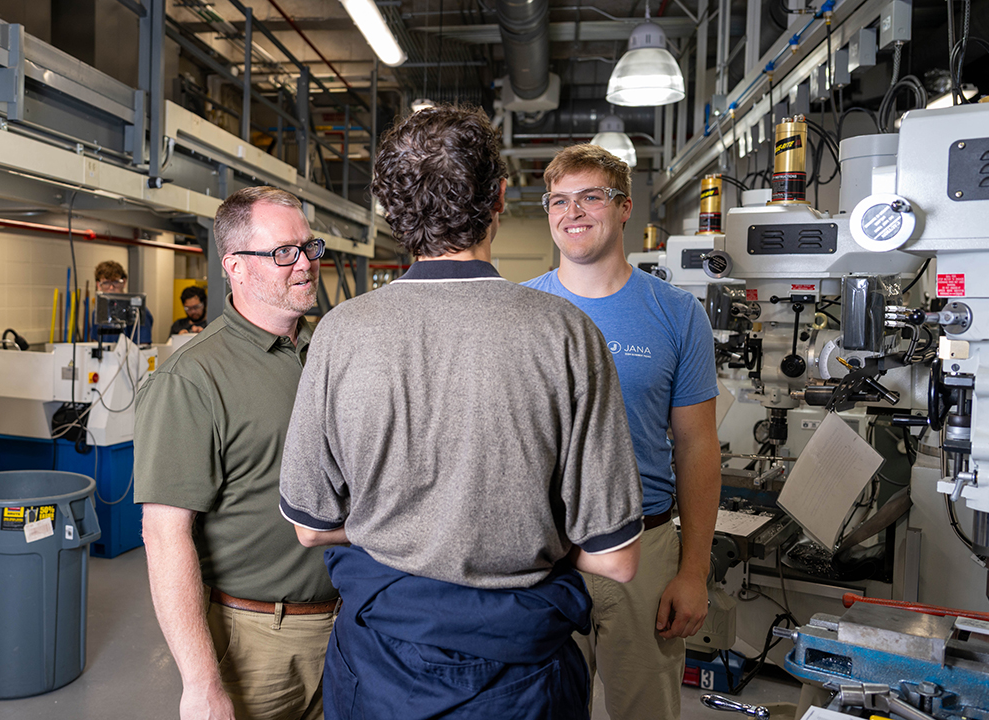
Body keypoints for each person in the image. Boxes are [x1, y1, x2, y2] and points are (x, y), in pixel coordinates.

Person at [278, 105, 645, 720]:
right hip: (523, 674)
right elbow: (616, 558)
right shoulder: (566, 333)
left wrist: (413, 533)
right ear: (500, 197)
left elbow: (311, 525)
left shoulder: (340, 333)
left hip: (378, 667)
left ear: (391, 209)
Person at [523, 144, 721, 720]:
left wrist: (692, 569)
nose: (572, 212)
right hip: (546, 551)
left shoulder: (676, 312)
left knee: (646, 709)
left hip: (646, 544)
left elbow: (697, 445)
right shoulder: (521, 308)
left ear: (624, 206)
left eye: (590, 196)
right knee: (541, 706)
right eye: (559, 200)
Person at [134, 186, 336, 720]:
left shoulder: (325, 352)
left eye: (309, 248)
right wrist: (200, 682)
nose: (304, 265)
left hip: (346, 625)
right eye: (283, 253)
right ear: (234, 266)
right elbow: (164, 532)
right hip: (256, 639)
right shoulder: (192, 377)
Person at [93, 260, 153, 344]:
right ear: (98, 285)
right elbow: (95, 342)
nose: (111, 287)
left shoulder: (138, 312)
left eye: (115, 282)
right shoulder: (98, 313)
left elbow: (143, 346)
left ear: (124, 282)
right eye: (106, 283)